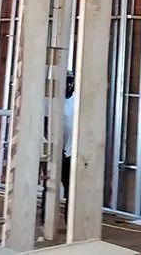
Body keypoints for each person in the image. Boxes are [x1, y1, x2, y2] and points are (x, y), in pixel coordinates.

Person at [62, 71, 75, 202]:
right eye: (67, 82)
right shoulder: (50, 101)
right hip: (57, 149)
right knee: (50, 185)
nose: (69, 85)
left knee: (70, 187)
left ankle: (69, 219)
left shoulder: (77, 100)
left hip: (72, 150)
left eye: (71, 82)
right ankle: (46, 217)